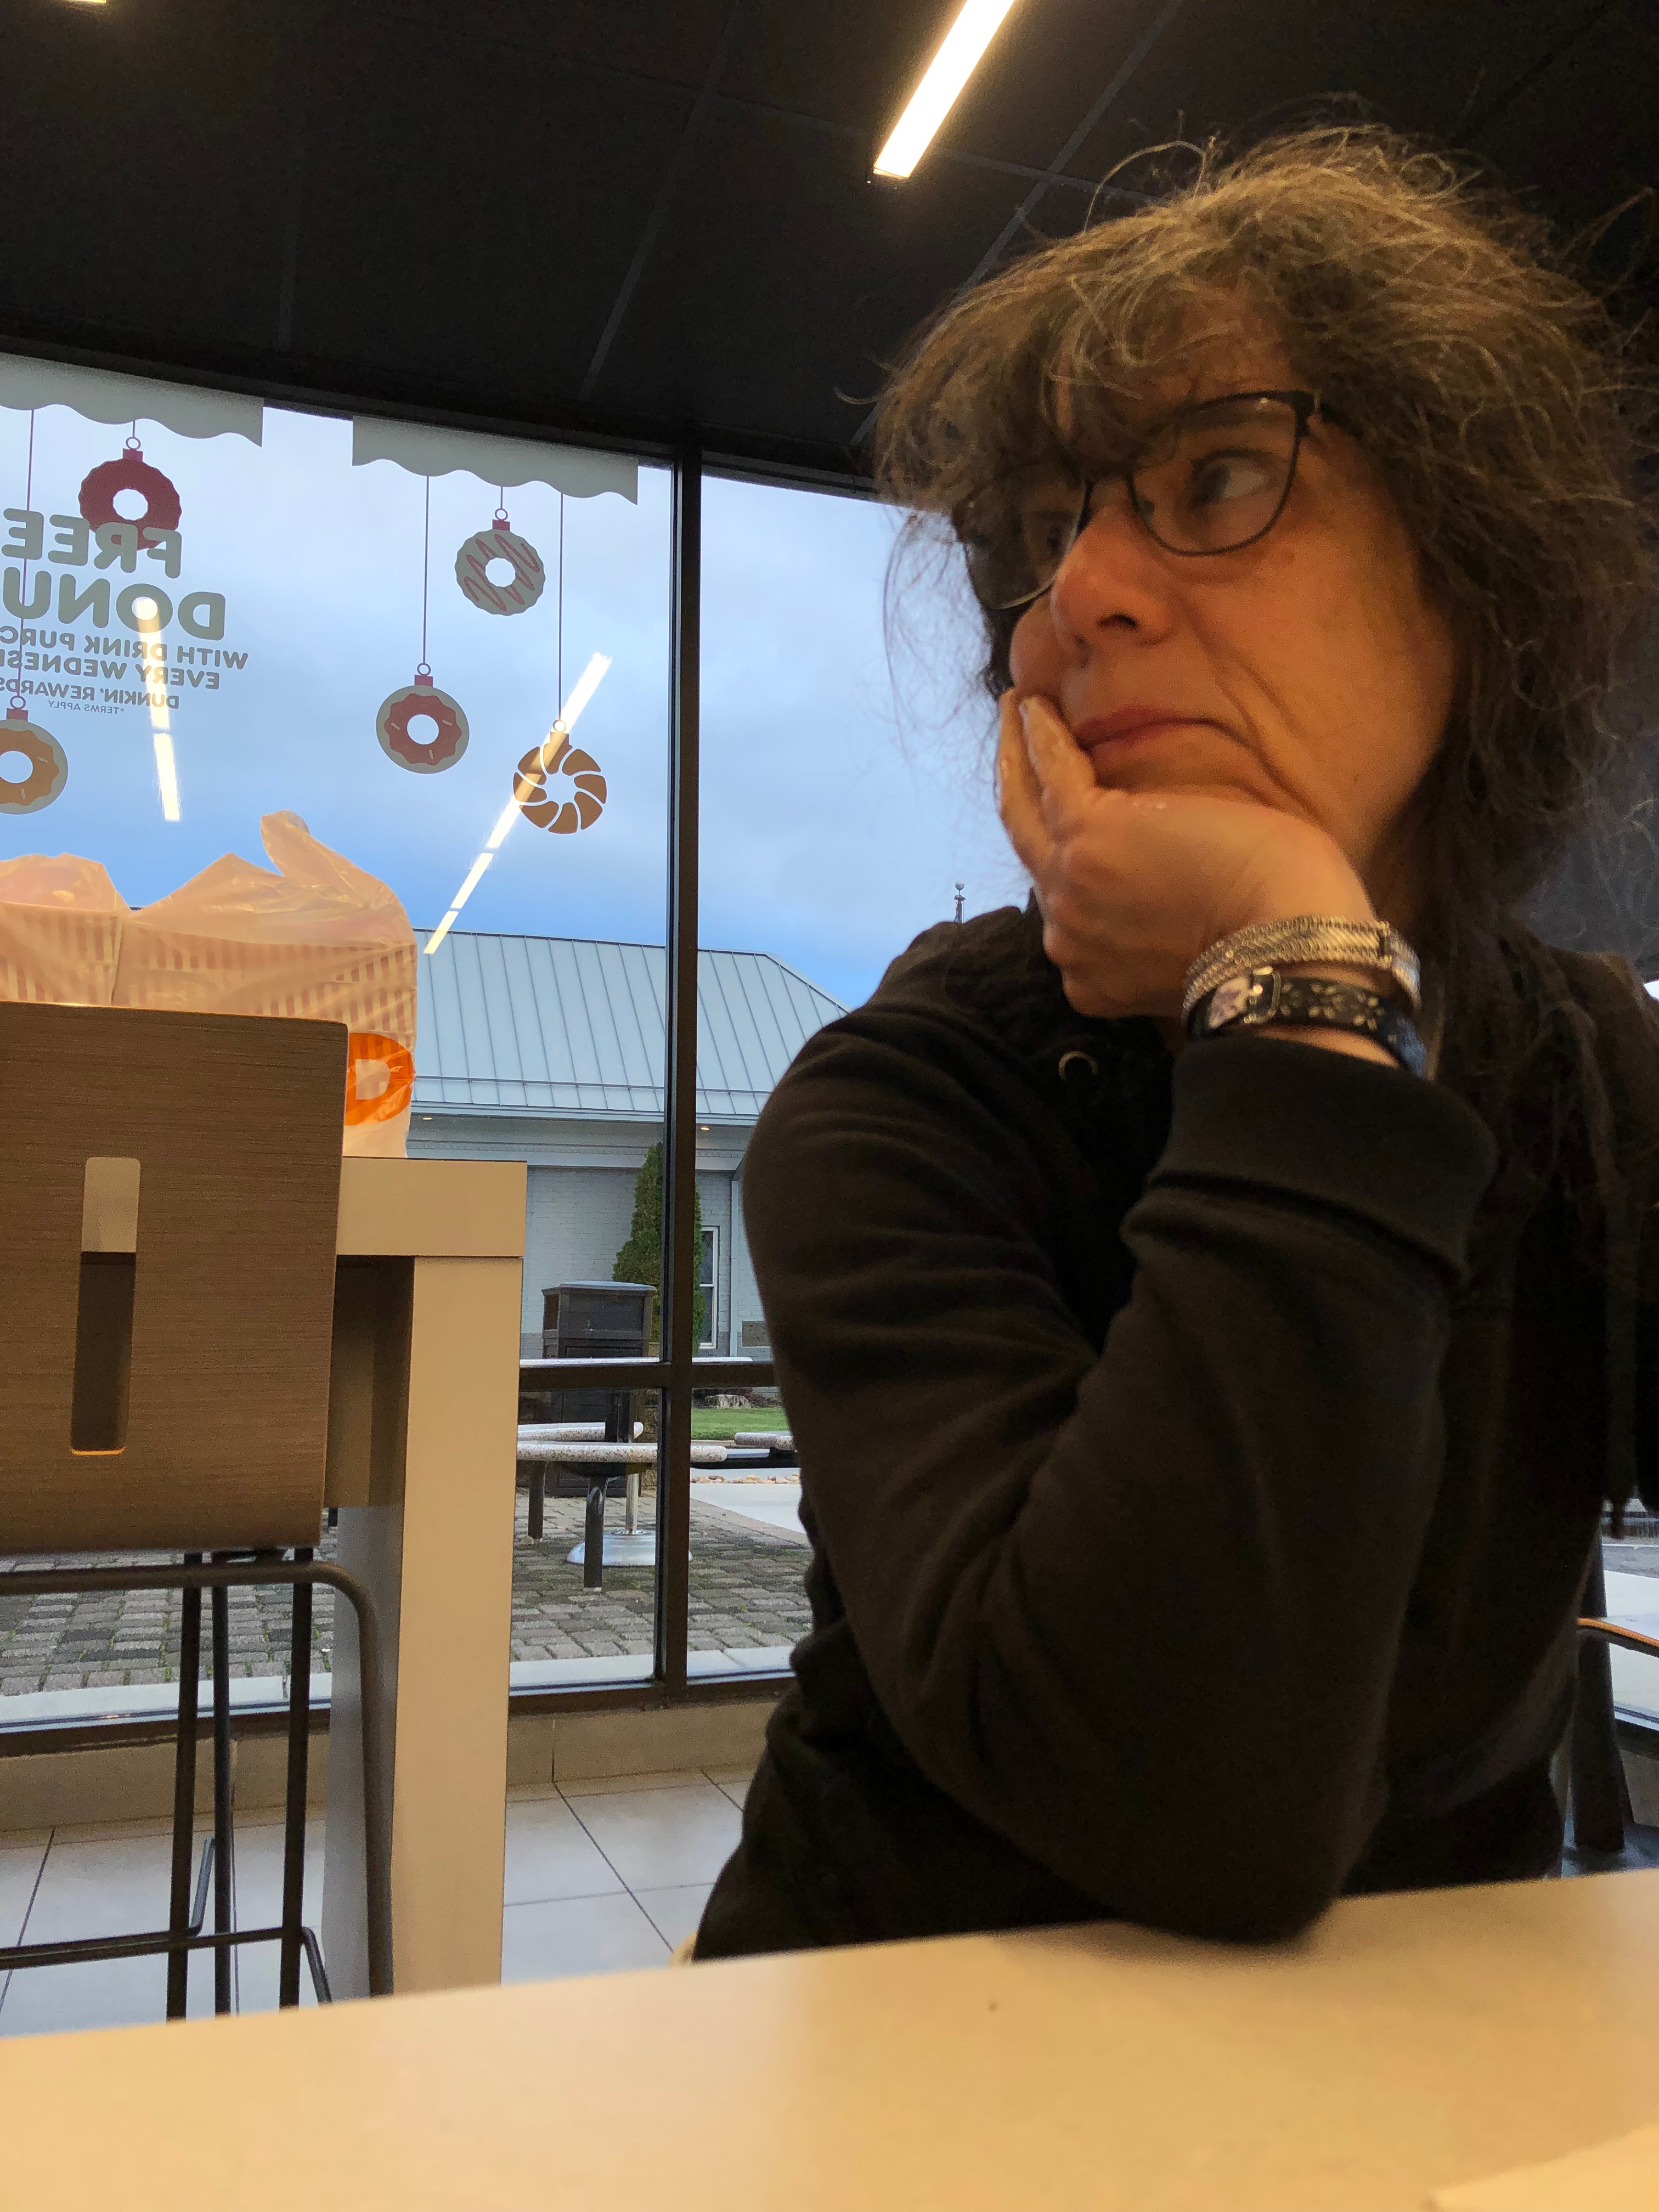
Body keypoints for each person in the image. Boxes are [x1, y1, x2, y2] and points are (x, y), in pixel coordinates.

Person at [695, 126, 1658, 1959]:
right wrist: (1299, 975)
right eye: (1039, 537)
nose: (1077, 597)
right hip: (909, 2048)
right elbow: (1189, 1809)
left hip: (1446, 2064)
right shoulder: (906, 1102)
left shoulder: (1588, 1074)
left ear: (1480, 572)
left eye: (1217, 475)